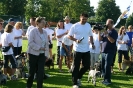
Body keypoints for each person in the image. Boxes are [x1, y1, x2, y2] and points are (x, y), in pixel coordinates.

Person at [68, 13, 94, 88]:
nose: (84, 20)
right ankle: (75, 83)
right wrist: (76, 40)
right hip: (77, 49)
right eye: (83, 19)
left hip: (86, 49)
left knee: (87, 65)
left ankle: (78, 77)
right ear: (80, 18)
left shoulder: (88, 25)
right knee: (76, 66)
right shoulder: (75, 26)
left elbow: (91, 35)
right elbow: (69, 36)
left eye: (86, 19)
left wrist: (92, 43)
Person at [26, 17, 49, 88]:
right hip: (33, 54)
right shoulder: (33, 31)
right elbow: (30, 43)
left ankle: (39, 86)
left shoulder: (45, 32)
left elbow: (46, 44)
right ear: (37, 23)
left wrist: (46, 55)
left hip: (42, 55)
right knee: (32, 72)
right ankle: (29, 86)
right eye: (42, 22)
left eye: (44, 22)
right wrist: (39, 48)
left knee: (41, 72)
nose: (44, 23)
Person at [98, 19, 118, 85]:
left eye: (108, 24)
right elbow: (100, 39)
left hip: (110, 51)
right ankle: (104, 79)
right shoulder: (105, 31)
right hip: (103, 51)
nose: (106, 25)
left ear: (112, 24)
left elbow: (112, 41)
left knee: (107, 66)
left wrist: (107, 35)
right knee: (103, 65)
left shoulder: (114, 32)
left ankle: (108, 80)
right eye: (106, 23)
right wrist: (99, 32)